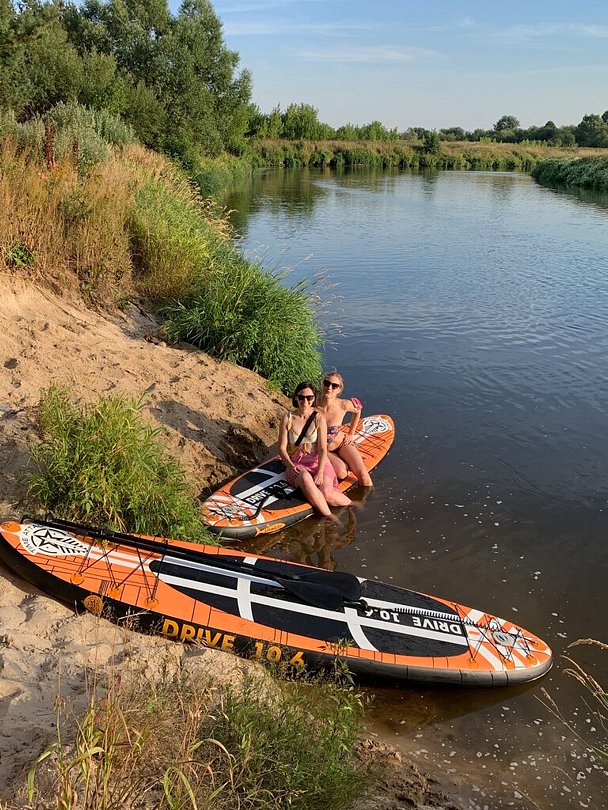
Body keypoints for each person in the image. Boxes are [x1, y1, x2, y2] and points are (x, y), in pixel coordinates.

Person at [278, 381, 352, 517]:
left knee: (328, 494)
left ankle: (353, 505)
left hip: (317, 462)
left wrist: (320, 472)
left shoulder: (319, 418)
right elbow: (282, 449)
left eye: (309, 397)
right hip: (297, 463)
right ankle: (331, 518)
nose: (305, 401)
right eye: (301, 397)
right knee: (304, 477)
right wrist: (290, 466)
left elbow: (323, 449)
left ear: (314, 399)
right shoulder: (287, 419)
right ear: (296, 397)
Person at [315, 370, 373, 486]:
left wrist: (351, 433)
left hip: (342, 444)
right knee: (342, 474)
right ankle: (343, 462)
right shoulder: (313, 404)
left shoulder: (343, 404)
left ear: (339, 389)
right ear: (322, 384)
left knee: (363, 475)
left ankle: (371, 495)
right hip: (323, 449)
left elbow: (358, 410)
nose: (329, 388)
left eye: (334, 386)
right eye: (327, 383)